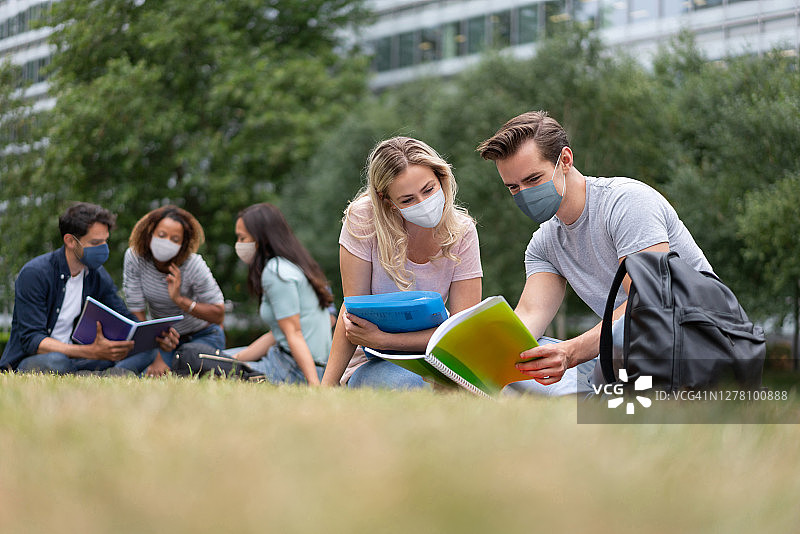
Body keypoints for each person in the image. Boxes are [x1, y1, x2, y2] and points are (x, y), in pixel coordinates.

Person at [477, 110, 713, 394]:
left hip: (695, 342)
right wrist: (482, 357)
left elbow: (651, 302)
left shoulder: (626, 202)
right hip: (623, 355)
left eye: (533, 179)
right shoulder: (543, 244)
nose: (524, 193)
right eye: (513, 187)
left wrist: (573, 351)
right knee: (522, 367)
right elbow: (529, 316)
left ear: (565, 160)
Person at [321, 136, 483, 389]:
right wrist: (327, 387)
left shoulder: (462, 231)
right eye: (408, 199)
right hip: (371, 361)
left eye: (429, 190)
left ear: (442, 178)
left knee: (476, 389)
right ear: (387, 200)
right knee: (411, 387)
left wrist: (385, 339)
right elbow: (352, 313)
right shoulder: (363, 219)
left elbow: (461, 332)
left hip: (437, 356)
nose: (423, 203)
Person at [0, 202, 165, 375]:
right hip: (36, 359)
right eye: (95, 242)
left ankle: (102, 375)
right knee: (56, 362)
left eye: (105, 241)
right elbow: (32, 341)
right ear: (70, 241)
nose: (103, 248)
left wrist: (155, 337)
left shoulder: (96, 275)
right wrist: (90, 351)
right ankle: (109, 375)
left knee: (148, 351)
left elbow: (123, 318)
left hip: (79, 358)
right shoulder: (35, 274)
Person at [229, 203, 333, 385]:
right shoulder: (296, 266)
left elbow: (293, 333)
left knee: (201, 366)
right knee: (221, 358)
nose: (239, 245)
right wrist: (235, 358)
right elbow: (278, 334)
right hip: (313, 364)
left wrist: (315, 385)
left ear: (261, 238)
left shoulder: (275, 272)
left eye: (242, 238)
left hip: (292, 368)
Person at [123, 205, 225, 376]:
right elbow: (136, 310)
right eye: (162, 235)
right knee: (135, 371)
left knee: (184, 369)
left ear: (183, 244)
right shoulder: (135, 258)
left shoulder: (194, 265)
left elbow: (218, 314)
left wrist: (179, 300)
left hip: (202, 336)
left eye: (175, 239)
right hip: (163, 340)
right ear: (150, 233)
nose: (166, 242)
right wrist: (157, 354)